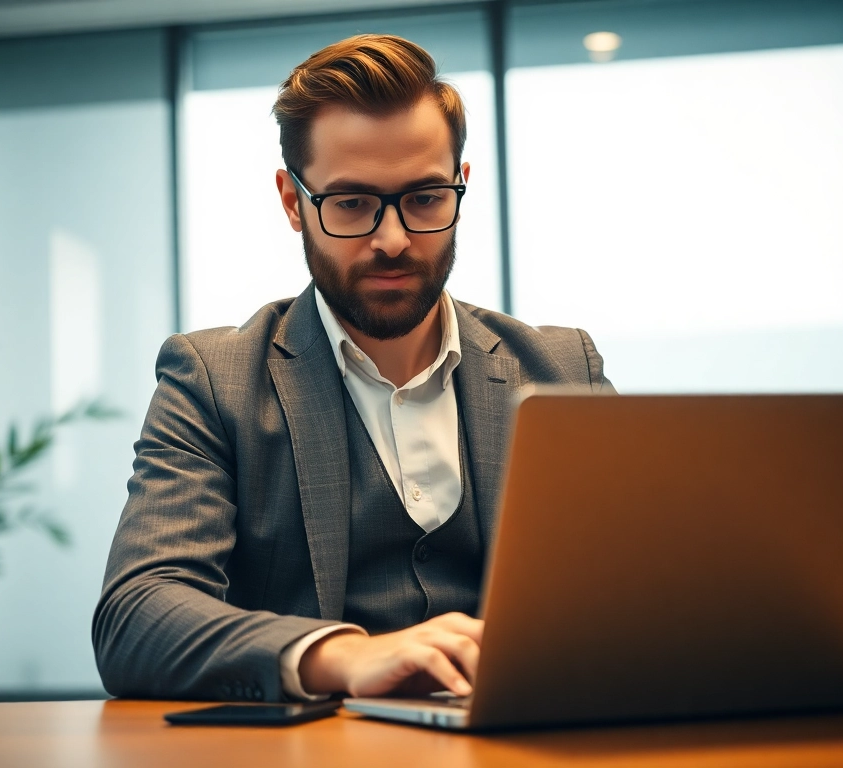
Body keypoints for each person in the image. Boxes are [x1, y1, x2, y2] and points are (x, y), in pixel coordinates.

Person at [92, 34, 611, 703]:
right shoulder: (213, 381)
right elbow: (136, 616)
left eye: (425, 198)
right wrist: (338, 655)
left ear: (461, 187)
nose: (392, 239)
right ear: (292, 201)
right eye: (352, 203)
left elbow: (643, 587)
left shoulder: (565, 371)